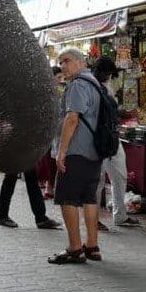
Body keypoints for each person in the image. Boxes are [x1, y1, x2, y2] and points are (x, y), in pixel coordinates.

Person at [48, 48, 103, 265]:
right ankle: (92, 246)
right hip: (94, 152)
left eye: (67, 61)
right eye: (60, 62)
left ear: (80, 62)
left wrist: (61, 152)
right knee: (89, 198)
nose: (63, 66)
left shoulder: (78, 85)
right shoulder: (95, 83)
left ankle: (75, 248)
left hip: (77, 151)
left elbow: (72, 118)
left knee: (67, 198)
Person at [92, 56, 139, 230]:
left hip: (112, 137)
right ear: (102, 72)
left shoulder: (107, 86)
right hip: (97, 139)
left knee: (120, 175)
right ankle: (93, 218)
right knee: (97, 180)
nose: (110, 77)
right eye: (109, 73)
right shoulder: (92, 86)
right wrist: (123, 114)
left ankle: (120, 215)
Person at [36, 66, 63, 199]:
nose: (60, 80)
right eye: (58, 77)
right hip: (48, 130)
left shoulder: (60, 91)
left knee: (52, 159)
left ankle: (51, 186)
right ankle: (49, 185)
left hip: (57, 130)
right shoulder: (46, 92)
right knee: (48, 160)